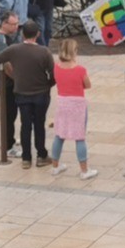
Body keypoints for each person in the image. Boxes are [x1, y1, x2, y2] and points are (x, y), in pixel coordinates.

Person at [0, 20, 55, 169]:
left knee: (25, 125)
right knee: (39, 124)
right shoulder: (44, 51)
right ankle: (41, 155)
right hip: (41, 93)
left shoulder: (14, 49)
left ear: (22, 34)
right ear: (37, 34)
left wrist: (15, 74)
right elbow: (53, 74)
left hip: (21, 92)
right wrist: (48, 85)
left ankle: (26, 158)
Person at [47, 39, 98, 180]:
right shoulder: (80, 69)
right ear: (74, 52)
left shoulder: (56, 67)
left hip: (62, 103)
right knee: (79, 137)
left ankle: (55, 167)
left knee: (59, 135)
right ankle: (84, 170)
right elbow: (88, 85)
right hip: (77, 105)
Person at [0, 11, 21, 157]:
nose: (16, 27)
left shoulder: (10, 37)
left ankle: (10, 139)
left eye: (17, 24)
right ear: (4, 24)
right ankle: (7, 145)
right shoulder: (1, 40)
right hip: (7, 83)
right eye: (13, 24)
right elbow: (6, 63)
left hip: (10, 82)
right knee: (8, 113)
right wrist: (16, 78)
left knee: (12, 113)